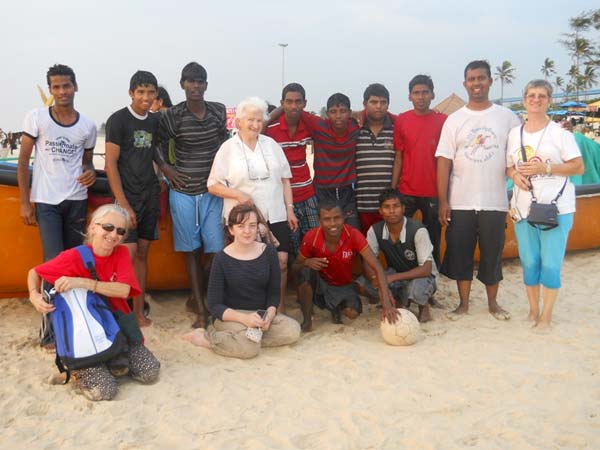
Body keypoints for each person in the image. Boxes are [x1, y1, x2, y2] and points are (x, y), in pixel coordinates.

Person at [27, 204, 160, 401]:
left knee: (150, 372)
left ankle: (111, 361)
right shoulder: (74, 256)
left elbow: (124, 290)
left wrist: (83, 282)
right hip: (87, 333)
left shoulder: (121, 253)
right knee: (105, 391)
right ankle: (86, 369)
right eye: (108, 227)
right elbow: (35, 272)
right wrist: (34, 295)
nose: (113, 235)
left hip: (118, 327)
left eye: (120, 231)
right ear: (93, 227)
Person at [17, 63, 97, 346]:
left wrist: (90, 172)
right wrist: (25, 202)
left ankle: (72, 321)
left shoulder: (88, 126)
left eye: (67, 86)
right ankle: (50, 330)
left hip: (76, 200)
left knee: (74, 262)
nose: (62, 91)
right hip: (47, 201)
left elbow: (87, 162)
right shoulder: (36, 117)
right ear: (51, 90)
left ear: (75, 87)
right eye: (56, 87)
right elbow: (23, 162)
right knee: (53, 263)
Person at [435, 60, 521, 321]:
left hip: (495, 202)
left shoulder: (507, 117)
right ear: (465, 84)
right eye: (472, 79)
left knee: (492, 255)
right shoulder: (454, 120)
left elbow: (516, 159)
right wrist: (443, 201)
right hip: (461, 201)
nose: (477, 83)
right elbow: (444, 161)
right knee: (461, 254)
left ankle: (493, 304)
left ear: (490, 81)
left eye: (481, 78)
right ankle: (463, 304)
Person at [506, 79, 584, 331]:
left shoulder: (561, 134)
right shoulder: (514, 134)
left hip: (556, 208)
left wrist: (546, 168)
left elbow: (578, 166)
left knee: (551, 263)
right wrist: (514, 175)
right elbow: (509, 166)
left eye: (542, 95)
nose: (536, 99)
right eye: (531, 95)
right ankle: (533, 310)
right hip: (523, 208)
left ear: (549, 101)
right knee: (529, 262)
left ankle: (546, 316)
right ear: (524, 99)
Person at [208, 96, 298, 313]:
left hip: (275, 212)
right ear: (239, 121)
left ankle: (279, 309)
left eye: (259, 120)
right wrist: (238, 195)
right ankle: (249, 310)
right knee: (250, 264)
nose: (255, 124)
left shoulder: (271, 145)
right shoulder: (228, 148)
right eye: (250, 120)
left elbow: (285, 179)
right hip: (244, 219)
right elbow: (212, 185)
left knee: (281, 262)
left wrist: (290, 209)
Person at [158, 62, 228, 328]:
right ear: (182, 84)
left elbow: (225, 144)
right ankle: (201, 309)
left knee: (216, 250)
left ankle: (198, 297)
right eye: (190, 81)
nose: (195, 86)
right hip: (183, 192)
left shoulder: (218, 111)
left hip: (212, 190)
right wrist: (167, 170)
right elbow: (157, 145)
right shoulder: (172, 115)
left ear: (206, 85)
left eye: (200, 81)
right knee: (191, 251)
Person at [181, 204, 301, 358]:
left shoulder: (269, 252)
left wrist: (270, 316)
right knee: (249, 349)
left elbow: (273, 293)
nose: (247, 231)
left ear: (257, 228)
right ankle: (206, 338)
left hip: (259, 315)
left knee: (292, 330)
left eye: (252, 225)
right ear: (231, 230)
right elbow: (214, 305)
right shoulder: (221, 259)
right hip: (232, 316)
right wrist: (245, 319)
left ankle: (244, 338)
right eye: (241, 226)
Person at [105, 70, 161, 327]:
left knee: (142, 254)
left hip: (150, 196)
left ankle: (139, 312)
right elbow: (110, 164)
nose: (145, 97)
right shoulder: (118, 120)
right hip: (126, 197)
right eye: (140, 92)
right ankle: (117, 311)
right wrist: (124, 205)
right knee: (125, 255)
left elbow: (155, 154)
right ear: (131, 93)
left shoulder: (155, 121)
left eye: (150, 92)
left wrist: (164, 176)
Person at [293, 199, 399, 331]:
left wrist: (387, 305)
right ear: (319, 220)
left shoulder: (353, 234)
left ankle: (335, 308)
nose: (333, 223)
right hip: (321, 285)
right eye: (327, 219)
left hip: (344, 285)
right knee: (304, 271)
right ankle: (307, 321)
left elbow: (377, 266)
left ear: (344, 217)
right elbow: (295, 266)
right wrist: (307, 262)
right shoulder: (311, 237)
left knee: (352, 314)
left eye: (337, 218)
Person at [355, 189, 437, 322]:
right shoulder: (375, 230)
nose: (392, 211)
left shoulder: (418, 230)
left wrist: (391, 278)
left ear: (403, 208)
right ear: (380, 211)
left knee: (416, 291)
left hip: (420, 275)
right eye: (387, 207)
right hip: (395, 273)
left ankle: (423, 305)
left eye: (396, 206)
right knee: (362, 285)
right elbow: (367, 262)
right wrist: (378, 281)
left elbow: (426, 269)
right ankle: (398, 300)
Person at [393, 75, 447, 266]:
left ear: (432, 95)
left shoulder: (443, 120)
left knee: (433, 236)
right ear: (410, 96)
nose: (421, 96)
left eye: (425, 92)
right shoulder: (401, 120)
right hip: (406, 190)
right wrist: (393, 189)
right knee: (402, 234)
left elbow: (447, 159)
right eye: (416, 93)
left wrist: (444, 196)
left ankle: (433, 273)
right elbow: (399, 157)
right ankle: (403, 270)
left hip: (433, 191)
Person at [265, 83, 319, 254]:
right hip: (283, 198)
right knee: (293, 244)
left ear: (305, 103)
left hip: (308, 193)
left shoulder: (308, 125)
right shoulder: (270, 130)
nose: (294, 106)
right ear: (282, 103)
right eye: (289, 102)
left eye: (298, 101)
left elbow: (329, 126)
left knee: (315, 240)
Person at [355, 83, 398, 234]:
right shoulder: (355, 129)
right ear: (364, 104)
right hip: (363, 203)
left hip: (390, 205)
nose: (379, 106)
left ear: (388, 104)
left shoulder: (397, 129)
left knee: (391, 244)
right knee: (366, 244)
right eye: (374, 102)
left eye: (383, 102)